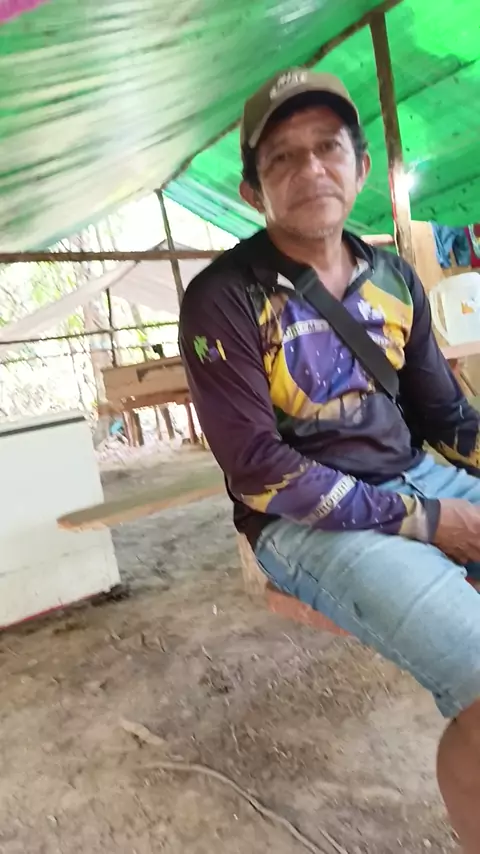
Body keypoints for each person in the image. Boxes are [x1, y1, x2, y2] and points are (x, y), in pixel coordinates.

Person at [178, 68, 480, 851]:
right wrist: (429, 521)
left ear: (361, 166)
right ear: (252, 190)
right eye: (281, 157)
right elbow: (259, 469)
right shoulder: (225, 296)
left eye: (327, 148)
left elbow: (445, 416)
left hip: (414, 478)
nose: (309, 168)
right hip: (303, 523)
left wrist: (440, 496)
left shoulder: (394, 277)